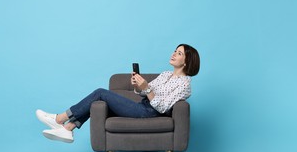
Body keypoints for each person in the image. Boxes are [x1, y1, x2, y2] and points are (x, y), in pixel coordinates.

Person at [36, 44, 200, 143]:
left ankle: (59, 119)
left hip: (150, 113)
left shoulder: (185, 84)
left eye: (179, 53)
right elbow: (144, 92)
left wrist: (147, 88)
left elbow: (163, 107)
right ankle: (68, 128)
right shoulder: (165, 74)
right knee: (99, 103)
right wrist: (138, 86)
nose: (173, 54)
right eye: (174, 50)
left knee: (100, 93)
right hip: (142, 106)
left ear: (186, 61)